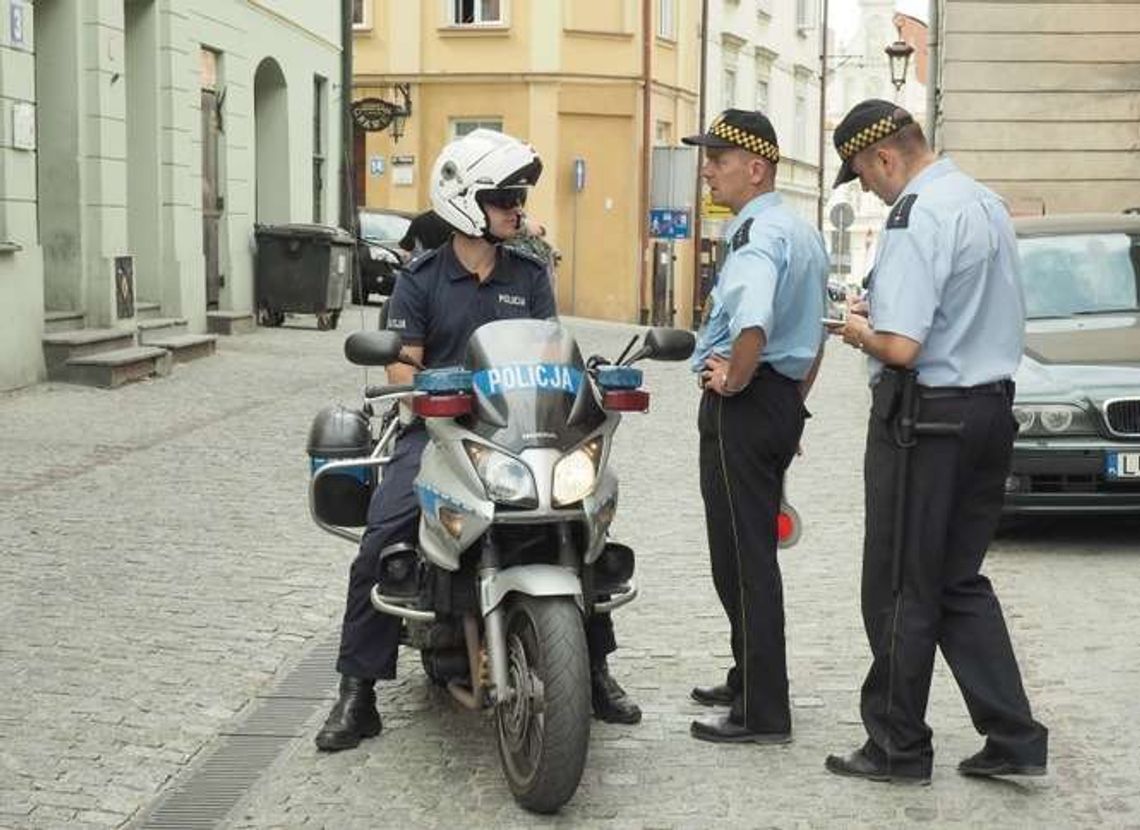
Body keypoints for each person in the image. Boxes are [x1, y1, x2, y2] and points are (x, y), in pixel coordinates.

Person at [316, 129, 641, 753]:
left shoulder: (530, 273)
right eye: (505, 197)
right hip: (441, 431)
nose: (518, 208)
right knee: (383, 536)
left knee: (583, 516)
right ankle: (356, 692)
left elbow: (551, 349)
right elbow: (402, 366)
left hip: (522, 430)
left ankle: (593, 670)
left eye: (518, 197)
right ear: (467, 202)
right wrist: (426, 394)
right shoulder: (421, 280)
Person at [823, 99, 1048, 784]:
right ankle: (1013, 737)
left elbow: (903, 345)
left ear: (885, 157)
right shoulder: (983, 202)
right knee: (957, 580)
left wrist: (860, 330)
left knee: (897, 586)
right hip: (989, 411)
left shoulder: (917, 213)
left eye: (864, 175)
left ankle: (896, 746)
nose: (867, 189)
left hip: (927, 421)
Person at [680, 109, 828, 744]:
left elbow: (754, 323)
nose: (707, 170)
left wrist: (734, 382)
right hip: (778, 399)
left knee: (741, 562)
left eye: (718, 158)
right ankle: (749, 677)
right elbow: (817, 333)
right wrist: (791, 401)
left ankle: (763, 711)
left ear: (756, 167)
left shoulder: (754, 237)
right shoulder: (801, 231)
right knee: (747, 555)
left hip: (743, 405)